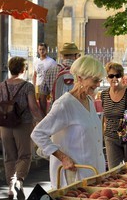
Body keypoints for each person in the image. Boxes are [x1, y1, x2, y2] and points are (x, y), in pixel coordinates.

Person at [31, 56, 106, 189]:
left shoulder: (88, 101)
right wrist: (63, 158)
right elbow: (38, 134)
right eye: (95, 80)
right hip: (74, 176)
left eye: (100, 80)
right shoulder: (64, 104)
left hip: (93, 173)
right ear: (80, 78)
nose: (98, 84)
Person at [0, 57, 43, 200]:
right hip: (23, 124)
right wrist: (43, 121)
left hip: (5, 125)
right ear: (23, 69)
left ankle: (11, 189)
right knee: (25, 155)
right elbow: (33, 107)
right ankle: (19, 181)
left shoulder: (1, 86)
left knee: (9, 157)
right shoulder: (28, 86)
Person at [39, 42, 80, 114]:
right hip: (75, 113)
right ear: (76, 55)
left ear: (62, 55)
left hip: (55, 112)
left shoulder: (51, 71)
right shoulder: (81, 72)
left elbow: (42, 96)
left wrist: (44, 115)